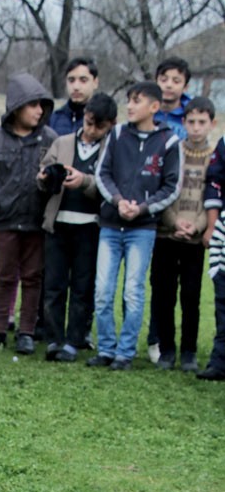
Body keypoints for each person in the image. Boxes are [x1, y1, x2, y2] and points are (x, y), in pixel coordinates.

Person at [89, 81, 183, 371]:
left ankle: (125, 353)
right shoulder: (117, 134)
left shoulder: (169, 141)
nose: (129, 106)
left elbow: (171, 187)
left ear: (154, 107)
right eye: (128, 100)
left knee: (132, 291)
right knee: (103, 291)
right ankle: (106, 348)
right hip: (110, 225)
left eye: (136, 101)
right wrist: (118, 201)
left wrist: (141, 208)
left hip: (142, 229)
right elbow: (102, 174)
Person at [0, 73, 57, 353]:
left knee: (33, 278)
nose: (39, 110)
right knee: (3, 275)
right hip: (5, 221)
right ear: (17, 106)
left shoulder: (50, 139)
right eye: (33, 104)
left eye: (42, 105)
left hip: (36, 222)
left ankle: (26, 333)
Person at [38, 92, 117, 362]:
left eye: (99, 126)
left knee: (82, 287)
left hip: (90, 227)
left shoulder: (110, 148)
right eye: (89, 122)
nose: (91, 130)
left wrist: (84, 180)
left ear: (110, 125)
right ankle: (54, 339)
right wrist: (46, 176)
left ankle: (74, 340)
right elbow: (44, 173)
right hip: (58, 224)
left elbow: (109, 186)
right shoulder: (63, 142)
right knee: (54, 285)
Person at [150, 97, 216, 373]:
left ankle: (189, 351)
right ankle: (166, 349)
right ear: (184, 122)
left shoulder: (215, 157)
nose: (196, 128)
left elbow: (213, 196)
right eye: (191, 122)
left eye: (202, 122)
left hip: (194, 239)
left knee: (191, 297)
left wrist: (198, 226)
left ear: (212, 123)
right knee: (163, 294)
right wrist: (174, 221)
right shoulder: (172, 151)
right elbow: (162, 190)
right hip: (167, 234)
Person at [197, 209, 225, 381]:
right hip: (223, 277)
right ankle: (218, 365)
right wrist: (215, 270)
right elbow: (216, 242)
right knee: (222, 324)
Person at [49, 57, 99, 136]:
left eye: (83, 80)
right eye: (71, 80)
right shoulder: (53, 119)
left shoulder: (102, 120)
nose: (76, 87)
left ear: (95, 82)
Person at [154, 56, 192, 141]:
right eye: (164, 80)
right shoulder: (144, 112)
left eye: (176, 81)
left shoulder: (192, 115)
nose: (169, 85)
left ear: (185, 87)